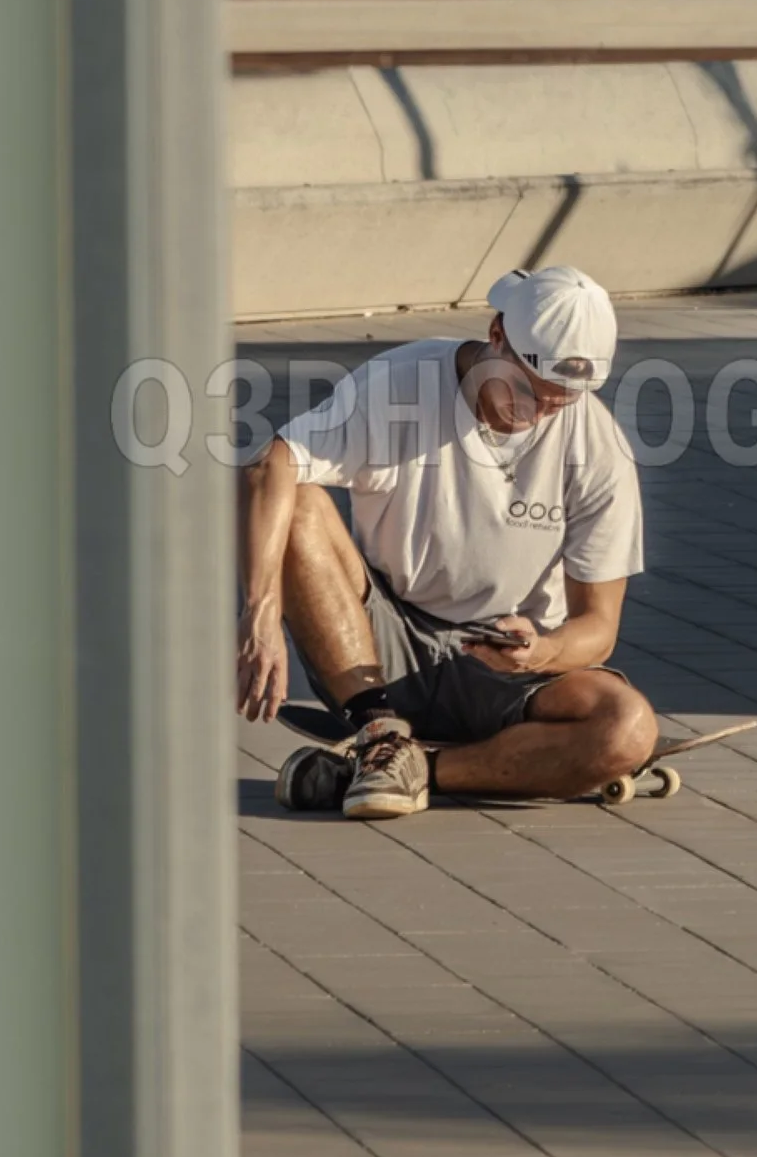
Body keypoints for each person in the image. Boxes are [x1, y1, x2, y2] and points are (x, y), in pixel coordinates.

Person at [236, 264, 657, 817]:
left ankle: (399, 767)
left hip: (504, 667)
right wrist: (260, 613)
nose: (539, 411)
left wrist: (544, 651)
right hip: (380, 644)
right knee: (301, 500)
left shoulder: (598, 446)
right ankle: (379, 729)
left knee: (626, 729)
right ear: (497, 335)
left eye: (560, 400)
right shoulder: (399, 386)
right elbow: (272, 465)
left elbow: (599, 628)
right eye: (529, 389)